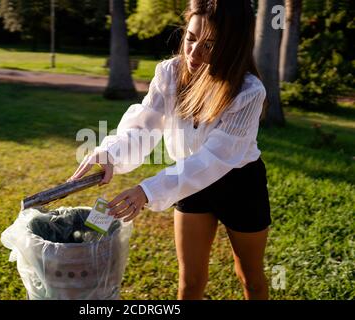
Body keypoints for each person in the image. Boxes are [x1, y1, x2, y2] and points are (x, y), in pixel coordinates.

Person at [68, 0, 271, 300]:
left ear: (232, 46)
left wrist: (147, 190)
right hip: (187, 182)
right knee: (189, 283)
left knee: (249, 276)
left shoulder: (248, 91)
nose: (193, 53)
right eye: (190, 38)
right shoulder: (170, 73)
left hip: (240, 185)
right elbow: (143, 126)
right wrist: (110, 152)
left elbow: (213, 159)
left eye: (209, 46)